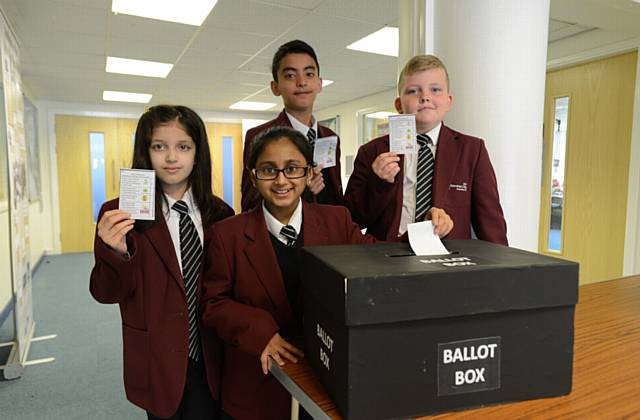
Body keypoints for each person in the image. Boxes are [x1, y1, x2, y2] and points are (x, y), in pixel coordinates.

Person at [201, 127, 374, 420]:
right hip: (257, 381)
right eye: (269, 170)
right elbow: (212, 304)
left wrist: (425, 232)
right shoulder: (226, 234)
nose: (281, 180)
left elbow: (376, 256)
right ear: (254, 177)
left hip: (324, 376)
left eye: (292, 169)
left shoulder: (336, 221)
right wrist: (258, 330)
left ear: (308, 175)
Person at [89, 105, 234, 420]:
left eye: (183, 147)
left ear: (198, 154)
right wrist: (116, 253)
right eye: (159, 146)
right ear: (145, 151)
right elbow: (105, 292)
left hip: (211, 352)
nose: (171, 157)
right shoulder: (119, 214)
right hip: (156, 354)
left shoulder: (220, 215)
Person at [344, 54, 508, 245]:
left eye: (435, 89)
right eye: (413, 91)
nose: (425, 97)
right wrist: (378, 183)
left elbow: (491, 222)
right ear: (399, 105)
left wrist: (501, 269)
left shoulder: (472, 150)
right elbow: (353, 217)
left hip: (448, 261)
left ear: (448, 101)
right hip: (386, 257)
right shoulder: (372, 152)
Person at [240, 39, 344, 211]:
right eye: (290, 75)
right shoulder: (259, 136)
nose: (301, 82)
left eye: (309, 74)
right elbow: (249, 205)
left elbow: (336, 198)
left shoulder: (330, 137)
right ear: (275, 87)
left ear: (319, 83)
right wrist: (301, 189)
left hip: (326, 233)